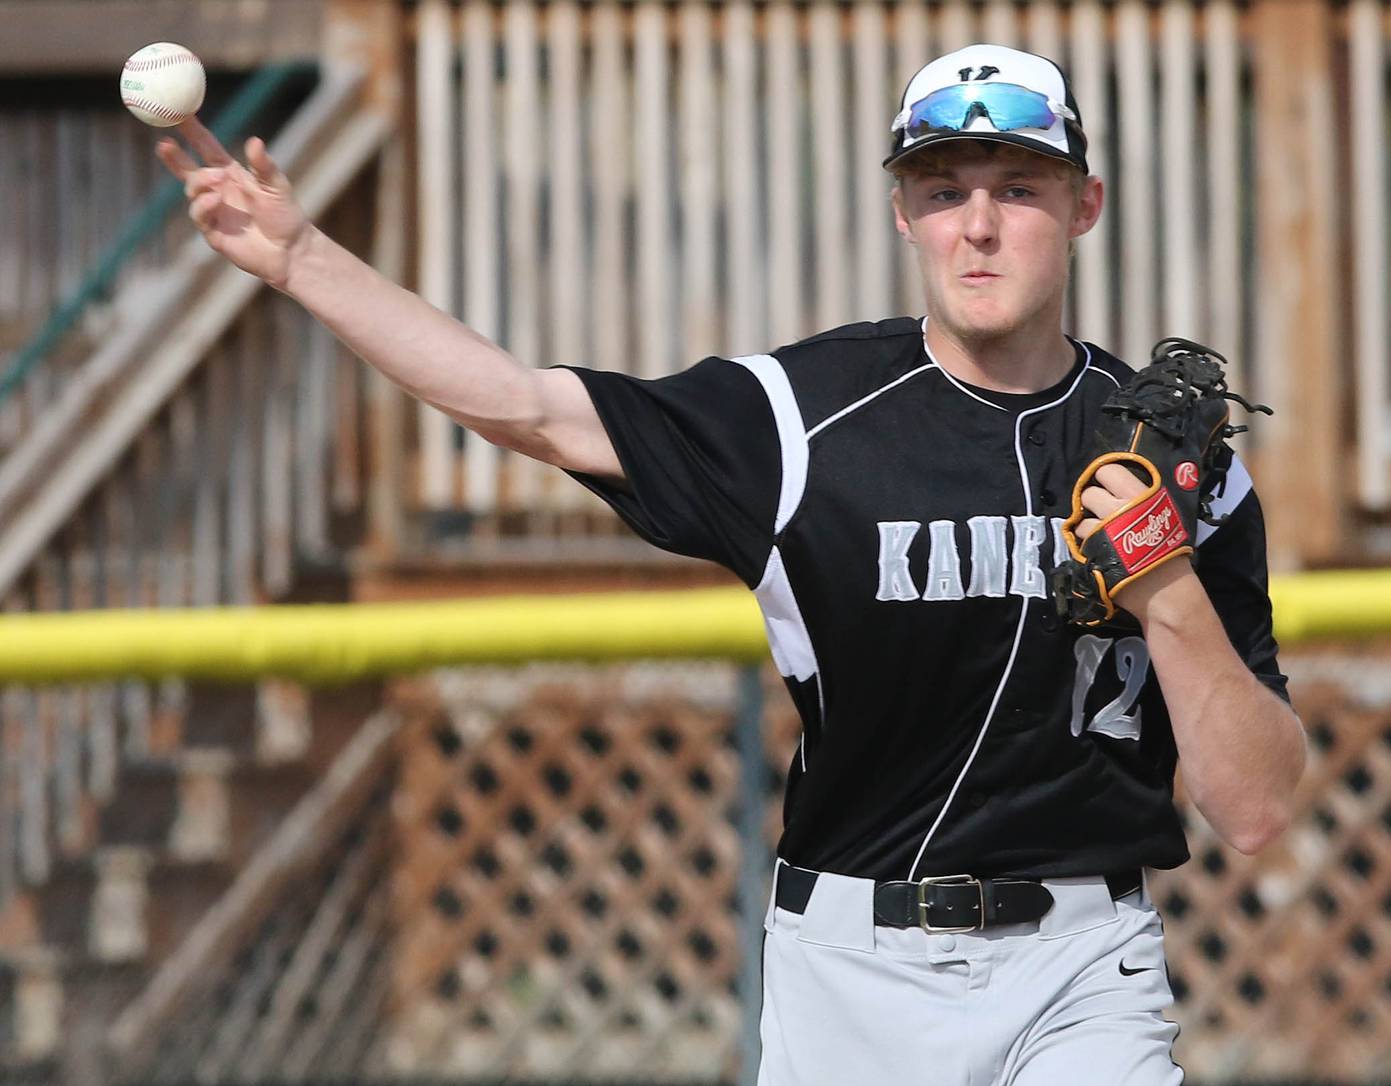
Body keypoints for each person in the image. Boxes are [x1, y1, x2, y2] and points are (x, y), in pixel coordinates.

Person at [159, 41, 1305, 1086]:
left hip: (1083, 966)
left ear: (1084, 204)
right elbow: (526, 408)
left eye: (1020, 187)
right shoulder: (803, 421)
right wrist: (304, 259)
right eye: (944, 189)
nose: (980, 224)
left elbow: (1253, 809)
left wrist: (1165, 589)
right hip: (853, 976)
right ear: (904, 213)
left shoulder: (1171, 460)